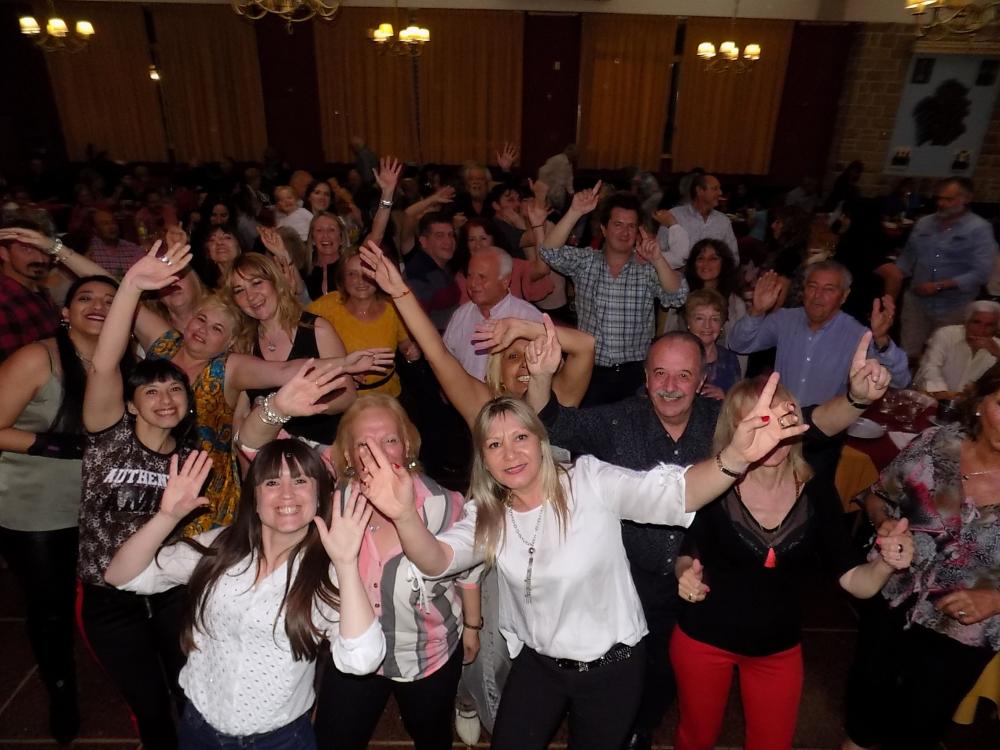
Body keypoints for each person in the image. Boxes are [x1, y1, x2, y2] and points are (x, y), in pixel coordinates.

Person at [357, 320, 809, 750]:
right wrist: (403, 515)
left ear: (540, 440)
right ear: (484, 458)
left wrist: (733, 456)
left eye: (520, 437)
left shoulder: (589, 481)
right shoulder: (487, 513)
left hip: (613, 668)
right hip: (539, 663)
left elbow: (678, 491)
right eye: (494, 444)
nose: (510, 453)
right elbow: (435, 559)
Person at [670, 377, 913, 750]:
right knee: (695, 739)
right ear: (735, 431)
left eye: (782, 420)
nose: (773, 433)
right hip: (704, 642)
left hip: (777, 649)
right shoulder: (713, 482)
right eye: (758, 421)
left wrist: (885, 562)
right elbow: (686, 551)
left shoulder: (815, 490)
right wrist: (684, 572)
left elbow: (856, 582)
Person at [103, 439, 385, 748]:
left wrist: (346, 564)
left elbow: (363, 660)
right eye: (272, 481)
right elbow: (121, 575)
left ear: (320, 496)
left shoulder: (326, 572)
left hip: (279, 740)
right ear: (255, 495)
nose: (287, 493)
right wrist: (166, 516)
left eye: (301, 480)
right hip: (198, 730)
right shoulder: (220, 547)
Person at [77, 241, 200, 749]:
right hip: (110, 603)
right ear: (129, 405)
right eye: (151, 391)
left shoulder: (189, 460)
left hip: (168, 596)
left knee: (188, 694)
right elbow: (106, 364)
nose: (166, 399)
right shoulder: (109, 436)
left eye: (174, 390)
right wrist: (130, 286)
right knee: (149, 710)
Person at [842, 367, 1000, 750]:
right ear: (980, 404)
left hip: (961, 630)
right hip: (892, 598)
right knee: (863, 716)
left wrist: (996, 599)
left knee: (919, 729)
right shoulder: (936, 443)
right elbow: (879, 495)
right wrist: (884, 525)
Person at [0, 275, 119, 744]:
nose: (98, 305)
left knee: (109, 597)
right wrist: (57, 446)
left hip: (101, 505)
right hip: (37, 507)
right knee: (49, 609)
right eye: (85, 298)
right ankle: (61, 694)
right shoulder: (38, 357)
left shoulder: (126, 360)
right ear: (64, 311)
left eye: (111, 300)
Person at [537, 186, 687, 405]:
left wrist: (657, 259)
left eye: (631, 227)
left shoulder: (646, 268)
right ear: (604, 229)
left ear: (638, 232)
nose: (624, 232)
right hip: (588, 370)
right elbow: (548, 252)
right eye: (617, 225)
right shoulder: (586, 261)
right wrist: (575, 211)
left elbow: (677, 296)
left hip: (635, 373)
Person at [728, 261, 909, 406]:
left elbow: (900, 381)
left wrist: (881, 339)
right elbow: (738, 344)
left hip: (825, 429)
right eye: (812, 286)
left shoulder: (856, 334)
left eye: (829, 289)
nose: (817, 295)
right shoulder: (785, 319)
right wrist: (757, 312)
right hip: (780, 420)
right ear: (803, 290)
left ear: (844, 296)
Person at [226, 252, 360, 443]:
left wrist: (296, 406)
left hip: (322, 453)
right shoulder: (244, 343)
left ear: (275, 282)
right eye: (239, 290)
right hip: (271, 461)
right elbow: (240, 416)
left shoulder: (317, 329)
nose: (250, 296)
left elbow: (348, 396)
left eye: (256, 283)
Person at [887, 177, 998, 359]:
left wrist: (940, 285)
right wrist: (893, 281)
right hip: (917, 302)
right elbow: (907, 260)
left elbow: (981, 272)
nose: (942, 204)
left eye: (949, 199)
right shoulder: (924, 223)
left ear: (966, 198)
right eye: (939, 198)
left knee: (942, 356)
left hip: (954, 306)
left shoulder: (979, 229)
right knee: (907, 353)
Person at [307, 247, 419, 398]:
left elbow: (405, 344)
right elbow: (300, 340)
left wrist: (412, 352)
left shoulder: (393, 308)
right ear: (342, 279)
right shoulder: (326, 306)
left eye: (366, 273)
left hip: (388, 396)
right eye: (352, 274)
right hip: (343, 399)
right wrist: (341, 371)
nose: (360, 280)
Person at [443, 246, 543, 381]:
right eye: (470, 276)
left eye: (482, 277)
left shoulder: (527, 318)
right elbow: (446, 359)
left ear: (505, 281)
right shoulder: (461, 315)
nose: (473, 284)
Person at [0, 219, 61, 362]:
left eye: (44, 250)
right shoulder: (4, 301)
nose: (40, 259)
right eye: (27, 249)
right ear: (4, 253)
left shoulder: (39, 291)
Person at [455, 218, 553, 305]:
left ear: (494, 240)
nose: (478, 245)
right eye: (472, 240)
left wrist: (538, 227)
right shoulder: (461, 277)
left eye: (483, 238)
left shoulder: (512, 266)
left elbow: (542, 269)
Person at [914, 300, 1000, 398]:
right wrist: (942, 394)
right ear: (966, 322)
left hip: (968, 404)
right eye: (976, 322)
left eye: (989, 325)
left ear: (996, 328)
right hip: (930, 396)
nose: (981, 329)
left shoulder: (998, 347)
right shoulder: (946, 334)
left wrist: (997, 354)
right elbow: (930, 367)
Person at [657, 174, 739, 267]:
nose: (720, 193)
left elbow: (733, 258)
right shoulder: (674, 216)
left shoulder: (723, 221)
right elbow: (659, 251)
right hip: (678, 278)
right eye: (715, 188)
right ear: (699, 190)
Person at [683, 289, 741, 399]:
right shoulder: (675, 357)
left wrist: (725, 398)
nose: (707, 326)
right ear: (689, 322)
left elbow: (739, 404)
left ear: (722, 325)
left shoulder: (729, 359)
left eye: (714, 319)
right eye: (700, 318)